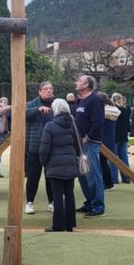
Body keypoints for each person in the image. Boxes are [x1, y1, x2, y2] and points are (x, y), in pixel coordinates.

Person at [40, 98, 80, 232]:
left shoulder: (50, 126)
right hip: (70, 163)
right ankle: (70, 224)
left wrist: (44, 162)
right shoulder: (73, 124)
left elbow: (44, 147)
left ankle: (58, 224)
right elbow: (77, 143)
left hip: (55, 164)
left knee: (57, 195)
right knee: (69, 194)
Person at [74, 74, 105, 217]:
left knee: (93, 175)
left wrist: (88, 137)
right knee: (83, 175)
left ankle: (98, 206)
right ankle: (90, 203)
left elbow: (98, 122)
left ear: (87, 85)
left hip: (90, 143)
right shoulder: (82, 100)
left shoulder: (95, 99)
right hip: (80, 143)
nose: (77, 82)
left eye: (80, 81)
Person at [24, 82, 55, 214]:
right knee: (33, 176)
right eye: (46, 89)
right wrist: (38, 110)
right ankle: (30, 202)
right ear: (39, 91)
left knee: (51, 176)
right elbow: (23, 114)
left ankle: (52, 202)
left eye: (51, 89)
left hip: (52, 148)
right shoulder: (31, 104)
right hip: (35, 147)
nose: (49, 91)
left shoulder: (56, 104)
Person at [100, 92, 119, 188]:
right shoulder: (113, 111)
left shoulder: (103, 112)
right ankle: (108, 182)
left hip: (103, 141)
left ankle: (108, 183)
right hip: (109, 140)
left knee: (102, 163)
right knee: (103, 163)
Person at [111, 93, 131, 184]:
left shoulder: (113, 110)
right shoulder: (126, 110)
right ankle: (126, 177)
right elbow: (128, 124)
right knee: (124, 158)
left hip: (114, 136)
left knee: (113, 158)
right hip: (123, 136)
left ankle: (114, 178)